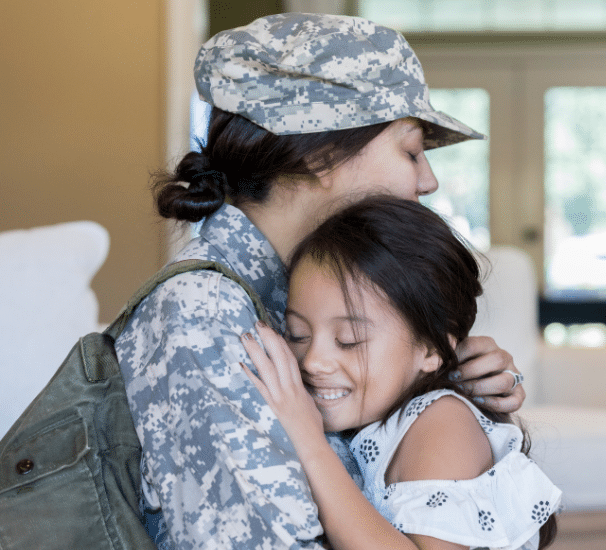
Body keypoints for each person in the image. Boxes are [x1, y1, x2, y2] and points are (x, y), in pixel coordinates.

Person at [115, 13, 526, 549]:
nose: (428, 180)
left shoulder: (285, 293)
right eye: (410, 149)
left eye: (348, 337)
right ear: (320, 151)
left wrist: (434, 376)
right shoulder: (205, 310)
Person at [240, 196, 560, 550]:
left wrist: (310, 444)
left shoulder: (442, 421)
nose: (313, 361)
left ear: (430, 348)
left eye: (349, 340)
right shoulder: (380, 414)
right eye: (298, 334)